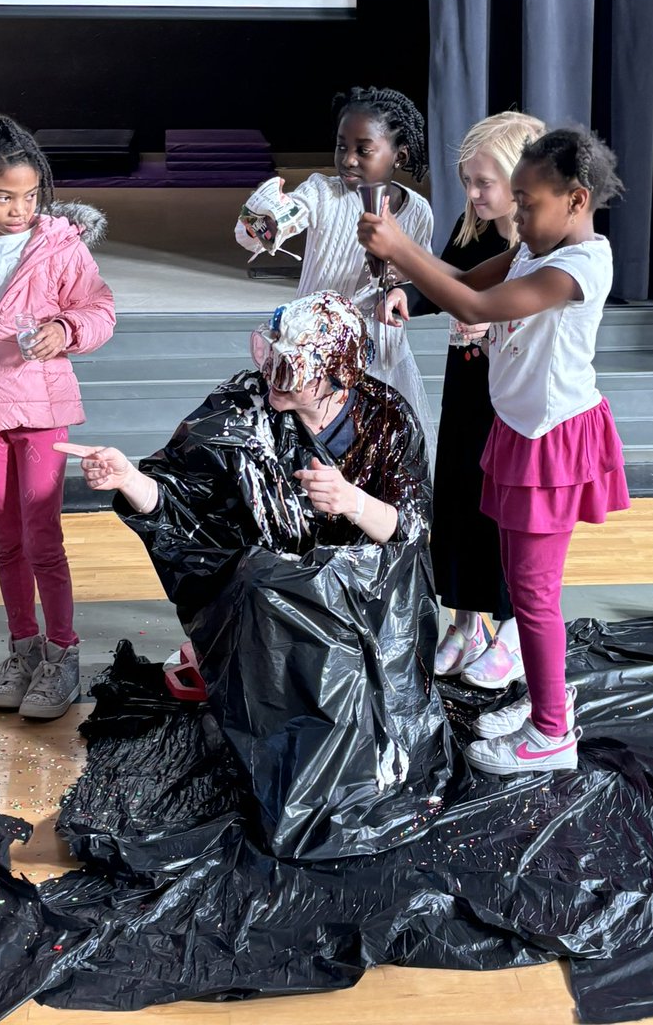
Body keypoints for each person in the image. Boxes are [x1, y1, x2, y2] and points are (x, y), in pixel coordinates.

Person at [57, 291, 455, 859]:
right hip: (269, 603)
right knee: (265, 587)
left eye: (288, 367)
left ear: (336, 376)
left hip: (366, 598)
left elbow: (411, 529)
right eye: (269, 357)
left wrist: (351, 501)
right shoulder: (241, 407)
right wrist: (128, 480)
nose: (271, 373)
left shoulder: (386, 416)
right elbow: (180, 502)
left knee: (360, 738)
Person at [359, 126, 630, 776]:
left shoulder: (578, 266)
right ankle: (546, 700)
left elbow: (477, 302)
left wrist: (401, 247)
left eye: (527, 203)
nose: (517, 214)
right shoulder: (536, 248)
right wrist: (406, 275)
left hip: (552, 445)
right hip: (517, 431)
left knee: (533, 599)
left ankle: (550, 736)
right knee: (523, 585)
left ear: (576, 199)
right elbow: (460, 279)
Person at [0, 113, 116, 718]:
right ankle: (23, 650)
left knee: (43, 534)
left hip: (42, 406)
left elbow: (98, 308)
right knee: (3, 535)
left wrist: (65, 328)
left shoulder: (57, 245)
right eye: (3, 196)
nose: (20, 209)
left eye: (29, 196)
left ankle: (62, 654)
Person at [378, 111, 546, 688]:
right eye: (466, 181)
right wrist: (406, 291)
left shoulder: (543, 250)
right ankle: (466, 621)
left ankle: (517, 629)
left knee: (510, 514)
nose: (471, 194)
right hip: (469, 390)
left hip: (517, 401)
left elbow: (529, 317)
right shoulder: (474, 226)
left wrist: (491, 323)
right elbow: (448, 281)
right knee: (458, 497)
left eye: (483, 183)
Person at [234, 85, 436, 462]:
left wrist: (399, 285)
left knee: (373, 450)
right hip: (310, 351)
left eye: (364, 149)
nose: (349, 159)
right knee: (308, 450)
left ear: (400, 155)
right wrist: (262, 220)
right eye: (342, 146)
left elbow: (419, 277)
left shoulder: (418, 212)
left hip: (380, 352)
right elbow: (265, 230)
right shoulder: (322, 192)